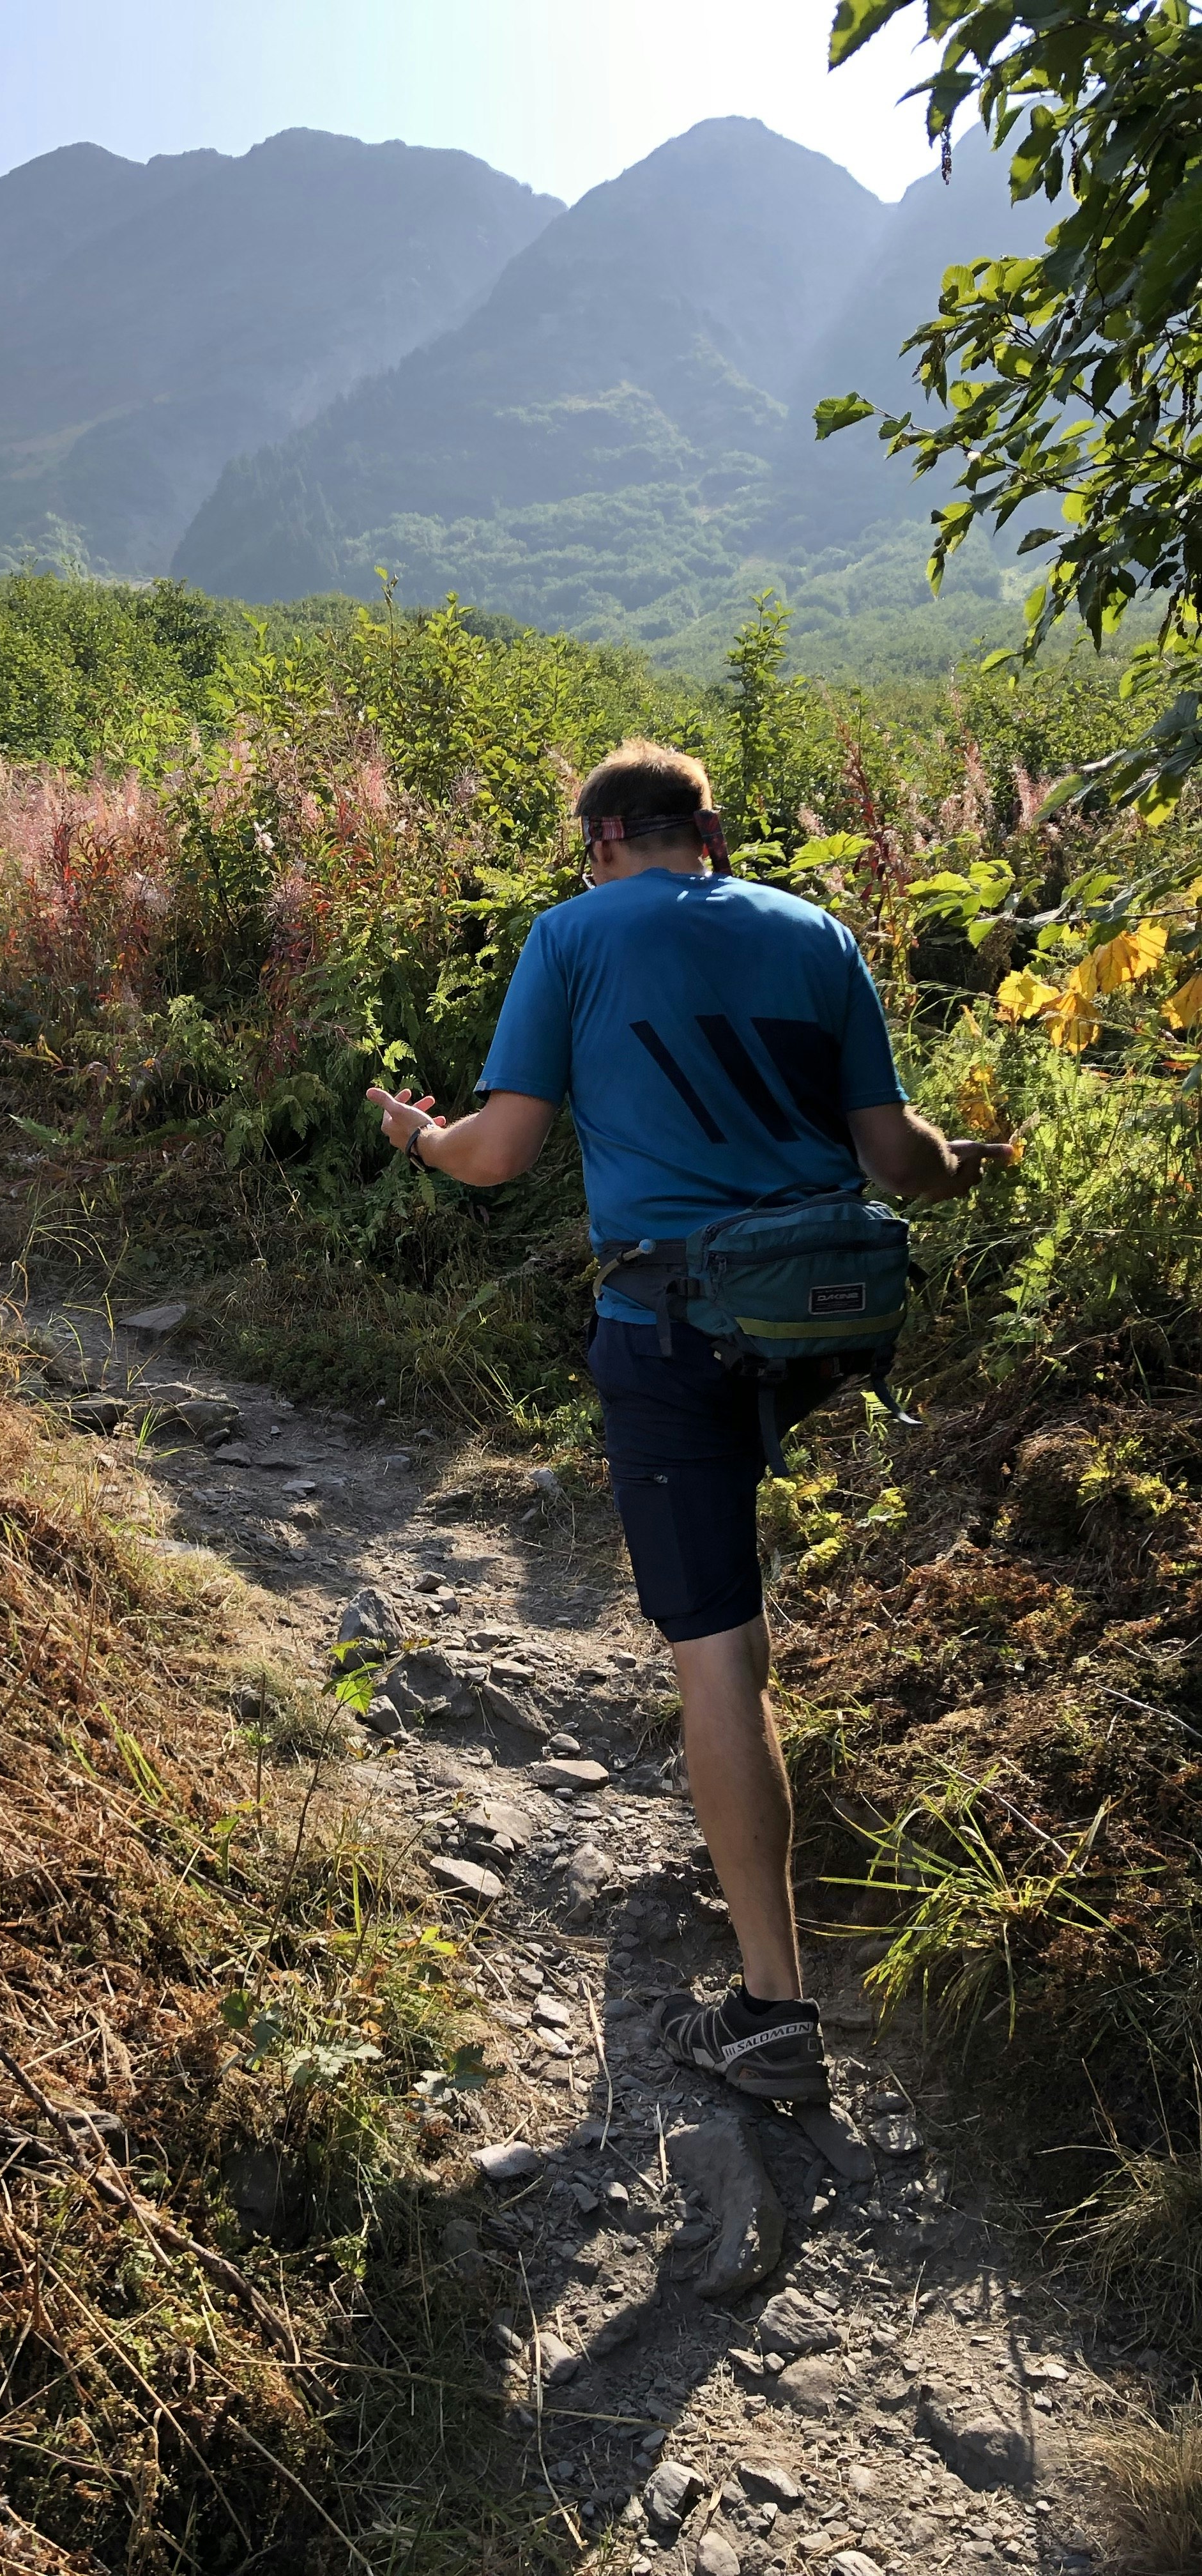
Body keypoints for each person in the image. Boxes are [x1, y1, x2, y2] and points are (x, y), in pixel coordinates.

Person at [367, 738, 1012, 2104]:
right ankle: (754, 1836)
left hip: (672, 1328)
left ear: (602, 842)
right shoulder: (818, 930)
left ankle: (774, 2015)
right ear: (707, 835)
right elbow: (897, 1157)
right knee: (743, 1613)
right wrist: (966, 1164)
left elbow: (501, 1153)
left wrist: (417, 1136)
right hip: (825, 1318)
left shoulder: (573, 935)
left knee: (721, 1651)